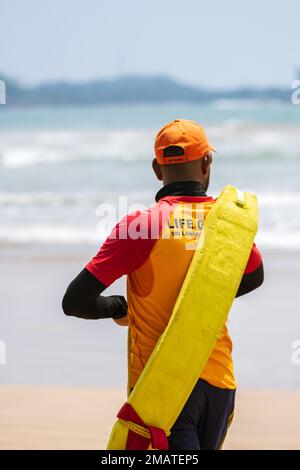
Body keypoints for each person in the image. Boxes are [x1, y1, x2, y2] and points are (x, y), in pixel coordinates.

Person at [62, 119, 264, 450]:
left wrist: (119, 307)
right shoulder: (226, 225)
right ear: (207, 162)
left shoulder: (140, 227)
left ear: (157, 169)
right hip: (219, 383)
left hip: (163, 389)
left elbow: (74, 301)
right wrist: (200, 300)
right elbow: (254, 277)